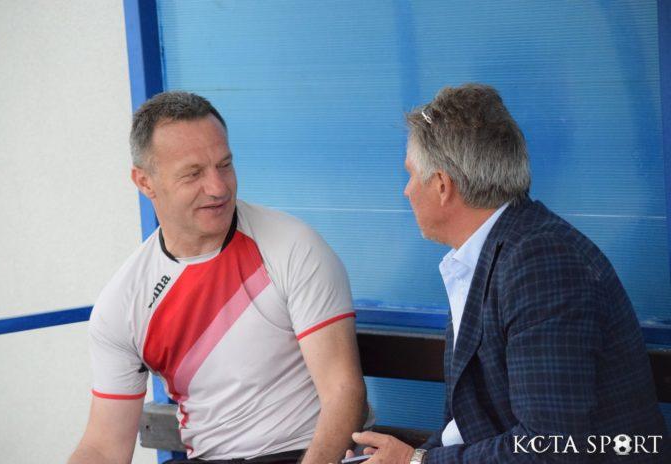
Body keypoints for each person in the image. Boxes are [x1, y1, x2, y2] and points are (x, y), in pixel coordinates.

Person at [347, 84, 668, 463]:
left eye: (411, 175)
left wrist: (416, 461)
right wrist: (413, 456)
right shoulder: (498, 252)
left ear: (442, 185)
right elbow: (471, 425)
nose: (406, 191)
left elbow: (549, 447)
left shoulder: (542, 265)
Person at [68, 91, 368, 464]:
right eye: (193, 173)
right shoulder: (122, 303)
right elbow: (103, 447)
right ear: (145, 182)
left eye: (224, 165)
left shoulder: (293, 246)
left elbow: (344, 394)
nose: (218, 187)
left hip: (301, 453)